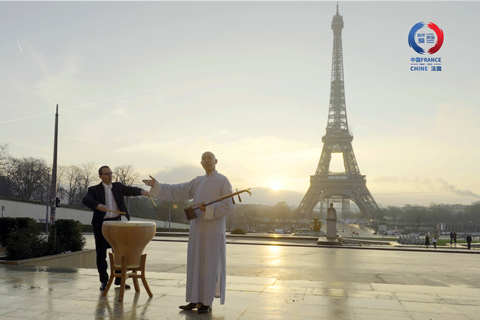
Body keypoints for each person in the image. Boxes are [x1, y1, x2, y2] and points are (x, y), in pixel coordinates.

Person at [143, 151, 234, 314]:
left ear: (216, 161)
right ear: (201, 163)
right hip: (197, 228)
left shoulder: (223, 180)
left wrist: (210, 209)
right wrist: (157, 186)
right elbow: (178, 190)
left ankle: (206, 302)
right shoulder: (197, 181)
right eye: (204, 159)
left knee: (209, 264)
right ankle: (194, 300)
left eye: (209, 159)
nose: (207, 161)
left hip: (213, 231)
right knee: (195, 263)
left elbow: (228, 206)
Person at [83, 165, 149, 291]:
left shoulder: (118, 187)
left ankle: (119, 280)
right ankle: (104, 280)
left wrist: (143, 192)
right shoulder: (94, 189)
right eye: (107, 174)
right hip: (101, 224)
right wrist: (98, 205)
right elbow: (86, 200)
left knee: (118, 253)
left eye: (110, 173)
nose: (110, 175)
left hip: (116, 223)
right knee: (101, 253)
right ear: (100, 176)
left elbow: (130, 190)